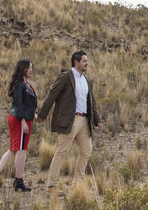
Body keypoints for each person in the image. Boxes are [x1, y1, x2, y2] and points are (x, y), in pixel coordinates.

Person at [36, 50, 103, 193]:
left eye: (87, 60)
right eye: (84, 61)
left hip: (85, 121)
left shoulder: (87, 80)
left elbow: (92, 102)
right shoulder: (66, 76)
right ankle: (51, 186)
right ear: (76, 62)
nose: (87, 63)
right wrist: (42, 115)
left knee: (86, 151)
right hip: (70, 120)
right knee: (62, 151)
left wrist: (97, 120)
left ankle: (77, 185)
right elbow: (52, 95)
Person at [0, 58, 38, 192]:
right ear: (23, 69)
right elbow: (18, 104)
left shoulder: (26, 84)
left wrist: (34, 115)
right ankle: (18, 180)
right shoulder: (19, 85)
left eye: (31, 67)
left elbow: (29, 104)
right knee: (20, 150)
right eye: (29, 68)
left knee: (15, 149)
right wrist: (23, 122)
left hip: (23, 119)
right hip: (19, 119)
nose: (31, 70)